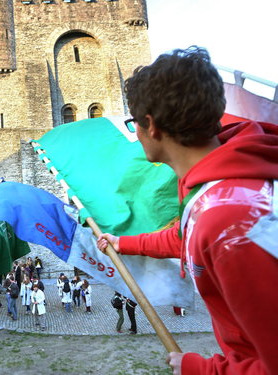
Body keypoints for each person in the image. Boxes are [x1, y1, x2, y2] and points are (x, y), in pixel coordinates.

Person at [97, 46, 278, 374]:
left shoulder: (230, 223)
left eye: (133, 122)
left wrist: (200, 368)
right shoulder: (221, 183)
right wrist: (124, 243)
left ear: (150, 125)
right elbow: (187, 238)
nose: (134, 133)